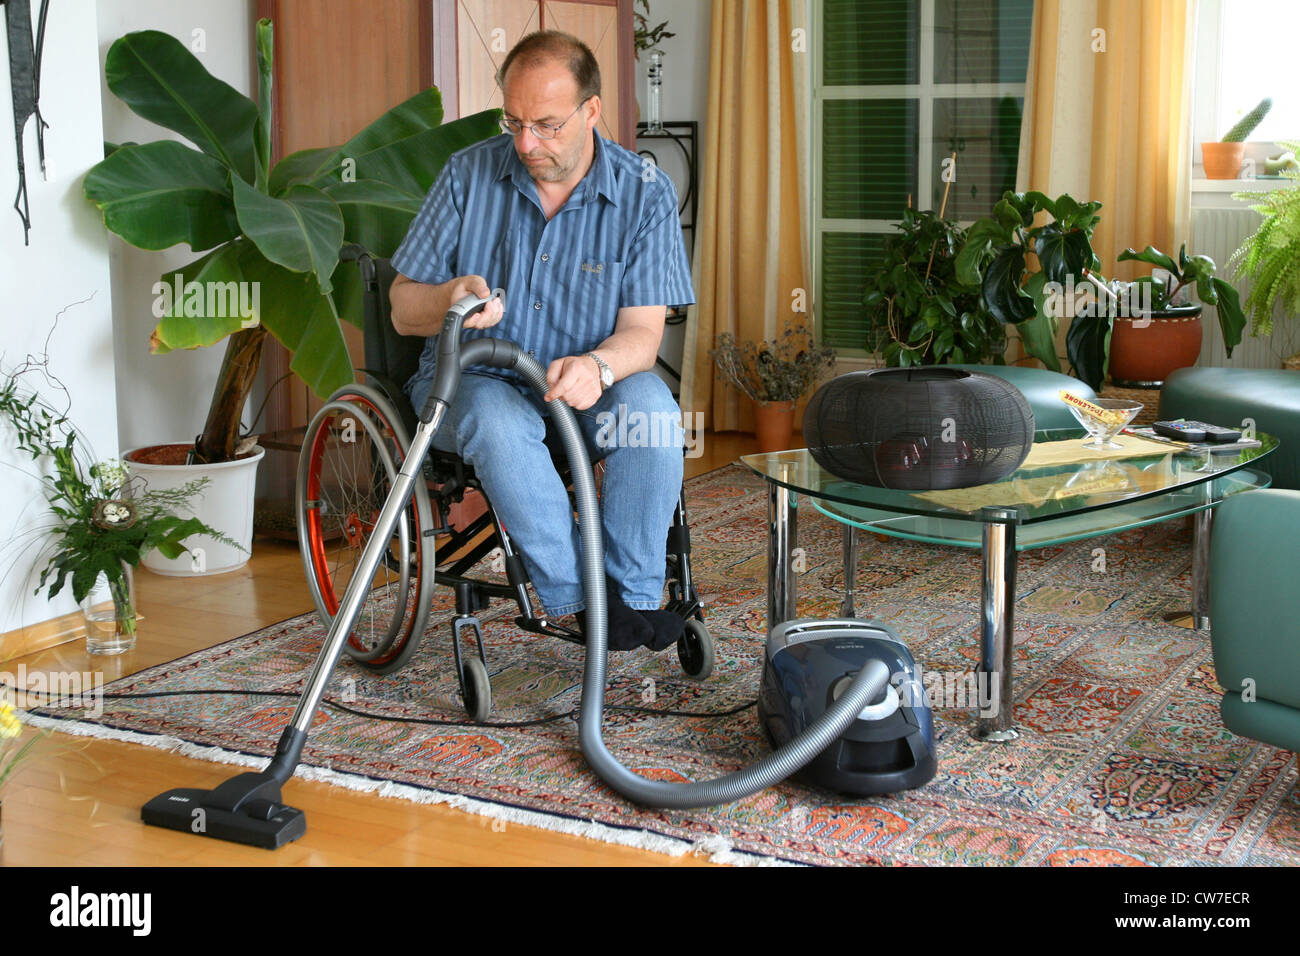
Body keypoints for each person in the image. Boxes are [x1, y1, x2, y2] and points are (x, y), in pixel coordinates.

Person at [389, 30, 695, 651]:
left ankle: (632, 596)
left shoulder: (645, 193)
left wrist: (599, 367)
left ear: (591, 111)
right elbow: (400, 308)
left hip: (583, 387)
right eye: (515, 122)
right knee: (500, 423)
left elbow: (642, 333)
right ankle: (580, 601)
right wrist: (449, 297)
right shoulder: (466, 176)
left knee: (655, 413)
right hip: (473, 382)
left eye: (548, 125)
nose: (526, 143)